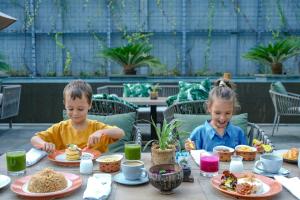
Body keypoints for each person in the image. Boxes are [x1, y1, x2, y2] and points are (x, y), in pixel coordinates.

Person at [31, 80, 125, 153]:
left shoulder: (96, 127)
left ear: (89, 104)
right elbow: (34, 139)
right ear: (65, 104)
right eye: (70, 109)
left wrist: (101, 132)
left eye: (80, 109)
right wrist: (44, 144)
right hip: (68, 171)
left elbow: (120, 133)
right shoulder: (60, 128)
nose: (75, 113)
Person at [185, 78, 247, 151]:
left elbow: (247, 155)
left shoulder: (238, 133)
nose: (222, 118)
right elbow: (191, 158)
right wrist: (189, 150)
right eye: (217, 113)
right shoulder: (199, 133)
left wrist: (258, 150)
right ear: (209, 108)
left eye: (227, 113)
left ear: (233, 110)